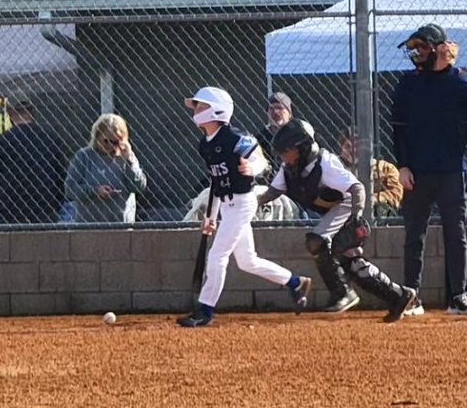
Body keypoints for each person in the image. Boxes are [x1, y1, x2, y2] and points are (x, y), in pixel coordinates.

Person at [260, 119, 421, 320]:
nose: (283, 156)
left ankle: (342, 293)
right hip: (334, 210)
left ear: (303, 148)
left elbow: (357, 188)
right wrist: (249, 204)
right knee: (349, 259)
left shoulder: (325, 164)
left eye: (288, 150)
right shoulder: (289, 167)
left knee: (316, 241)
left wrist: (357, 216)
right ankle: (398, 295)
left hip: (347, 204)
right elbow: (273, 192)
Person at [178, 86, 310, 327]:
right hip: (226, 206)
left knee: (217, 255)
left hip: (242, 203)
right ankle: (295, 282)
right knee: (248, 261)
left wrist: (253, 168)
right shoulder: (205, 144)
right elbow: (217, 181)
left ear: (217, 110)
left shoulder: (235, 137)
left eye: (201, 106)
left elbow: (259, 158)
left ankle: (204, 310)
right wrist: (211, 215)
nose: (196, 110)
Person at [390, 23, 467, 316]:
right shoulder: (407, 85)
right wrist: (403, 166)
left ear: (440, 49)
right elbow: (398, 131)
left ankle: (459, 296)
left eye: (422, 47)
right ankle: (412, 296)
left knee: (455, 233)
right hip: (417, 171)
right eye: (414, 48)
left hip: (451, 171)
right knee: (414, 235)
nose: (416, 54)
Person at [0, 99, 67, 224]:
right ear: (32, 111)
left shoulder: (1, 141)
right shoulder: (51, 139)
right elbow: (61, 176)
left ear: (9, 113)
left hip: (10, 210)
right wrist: (56, 205)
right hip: (44, 208)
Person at [64, 114, 148, 223]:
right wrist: (95, 191)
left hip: (120, 225)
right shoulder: (84, 156)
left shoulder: (126, 158)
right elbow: (70, 189)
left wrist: (130, 161)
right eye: (105, 140)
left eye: (115, 142)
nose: (109, 145)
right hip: (88, 225)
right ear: (97, 136)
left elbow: (139, 187)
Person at [338, 127, 404, 216]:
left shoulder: (385, 168)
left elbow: (396, 193)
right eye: (348, 146)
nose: (352, 151)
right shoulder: (334, 169)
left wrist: (372, 199)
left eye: (357, 146)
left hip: (376, 212)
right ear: (341, 149)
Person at [255, 92, 294, 162]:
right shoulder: (260, 138)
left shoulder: (297, 134)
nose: (275, 112)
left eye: (280, 108)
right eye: (271, 108)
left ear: (289, 113)